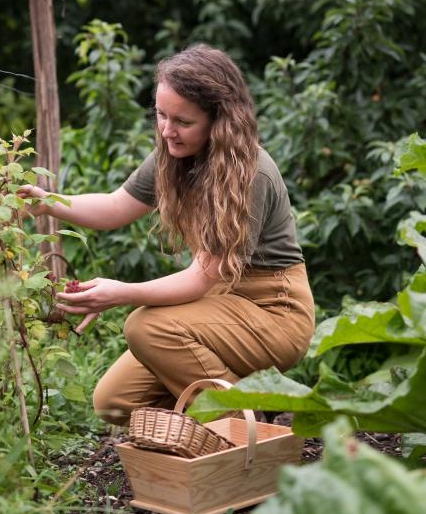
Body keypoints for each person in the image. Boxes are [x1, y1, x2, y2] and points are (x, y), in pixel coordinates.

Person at [19, 44, 315, 425]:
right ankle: (256, 399)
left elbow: (200, 279)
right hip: (218, 306)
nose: (166, 130)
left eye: (182, 122)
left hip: (273, 311)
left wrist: (120, 293)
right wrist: (50, 202)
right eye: (161, 115)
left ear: (219, 120)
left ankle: (245, 423)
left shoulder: (249, 173)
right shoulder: (172, 155)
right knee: (114, 401)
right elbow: (115, 205)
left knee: (147, 326)